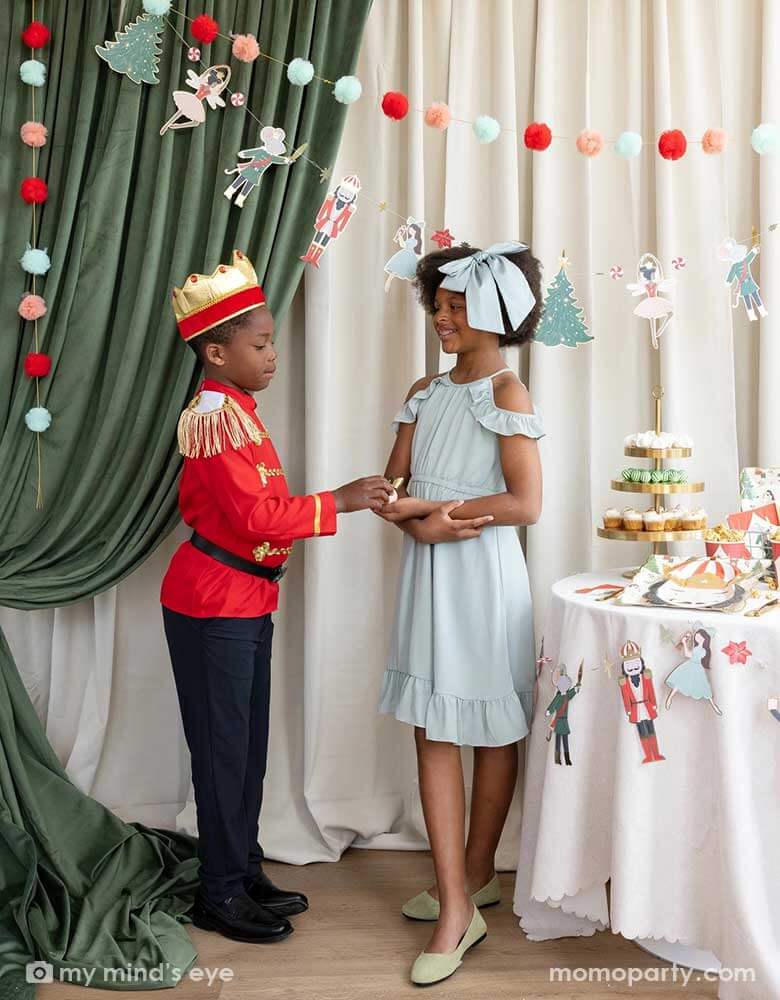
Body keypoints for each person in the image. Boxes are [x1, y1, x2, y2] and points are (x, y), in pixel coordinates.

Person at [161, 250, 393, 944]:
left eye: (271, 342)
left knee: (248, 749)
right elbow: (259, 519)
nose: (272, 355)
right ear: (215, 350)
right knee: (223, 751)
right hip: (212, 604)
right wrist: (340, 500)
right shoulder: (217, 417)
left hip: (242, 600)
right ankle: (219, 892)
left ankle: (241, 866)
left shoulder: (237, 410)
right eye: (259, 344)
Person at [375, 242, 545, 986]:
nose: (441, 317)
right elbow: (390, 487)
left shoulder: (509, 393)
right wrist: (419, 523)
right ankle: (453, 901)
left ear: (495, 311)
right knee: (434, 726)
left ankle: (475, 879)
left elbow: (526, 503)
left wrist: (444, 515)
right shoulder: (425, 390)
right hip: (431, 571)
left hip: (482, 576)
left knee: (491, 728)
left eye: (455, 305)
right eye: (436, 305)